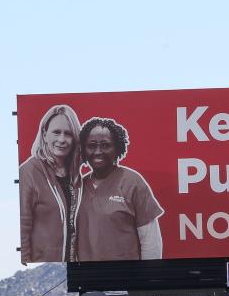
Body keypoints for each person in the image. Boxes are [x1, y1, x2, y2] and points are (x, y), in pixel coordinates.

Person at [75, 116, 164, 261]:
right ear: (83, 149)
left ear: (117, 148)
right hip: (88, 279)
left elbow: (150, 241)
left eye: (105, 145)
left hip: (127, 279)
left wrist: (147, 279)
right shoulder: (77, 188)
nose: (98, 151)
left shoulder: (133, 182)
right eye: (91, 145)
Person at [19, 105, 83, 263]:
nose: (62, 140)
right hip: (45, 269)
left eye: (68, 134)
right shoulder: (29, 171)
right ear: (44, 134)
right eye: (56, 132)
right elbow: (23, 226)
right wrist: (27, 266)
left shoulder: (75, 175)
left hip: (74, 269)